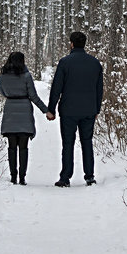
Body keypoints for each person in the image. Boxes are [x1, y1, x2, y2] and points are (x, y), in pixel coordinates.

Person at [46, 31, 103, 187]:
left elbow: (56, 88)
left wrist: (51, 109)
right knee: (87, 142)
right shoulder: (95, 63)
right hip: (89, 110)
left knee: (68, 143)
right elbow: (99, 89)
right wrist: (96, 108)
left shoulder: (65, 62)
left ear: (71, 43)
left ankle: (65, 177)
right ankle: (89, 176)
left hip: (68, 110)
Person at [0, 51, 49, 185]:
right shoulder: (26, 76)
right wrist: (46, 111)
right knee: (23, 147)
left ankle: (13, 176)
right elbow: (33, 96)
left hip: (10, 110)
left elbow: (3, 92)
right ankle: (22, 177)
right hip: (25, 110)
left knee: (11, 147)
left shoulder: (3, 76)